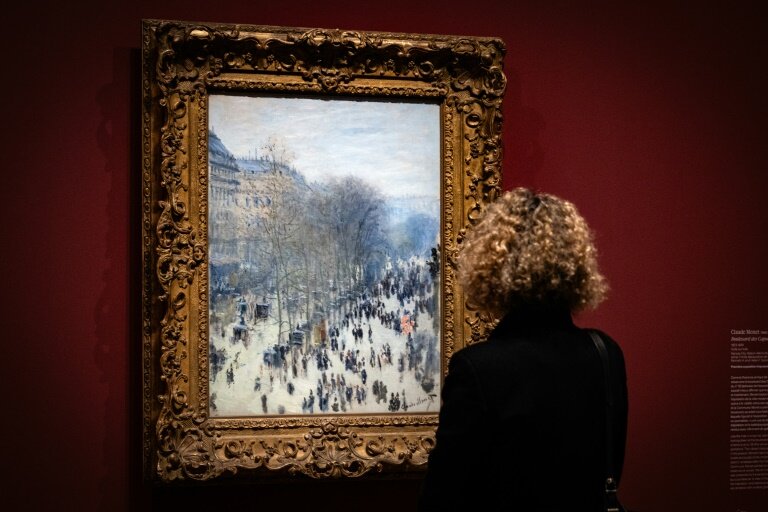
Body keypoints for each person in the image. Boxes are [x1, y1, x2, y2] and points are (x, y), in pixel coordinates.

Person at [418, 188, 628, 511]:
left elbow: (443, 499)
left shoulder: (477, 370)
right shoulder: (606, 354)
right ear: (575, 267)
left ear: (491, 267)